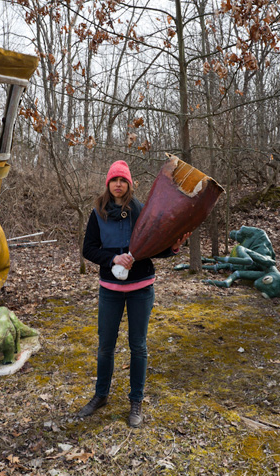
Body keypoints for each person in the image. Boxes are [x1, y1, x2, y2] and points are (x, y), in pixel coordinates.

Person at [78, 160, 189, 428]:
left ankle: (136, 401)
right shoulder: (98, 212)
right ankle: (101, 395)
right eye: (114, 180)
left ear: (129, 184)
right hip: (110, 291)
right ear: (108, 183)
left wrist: (173, 247)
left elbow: (155, 246)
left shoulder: (142, 210)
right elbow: (88, 249)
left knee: (138, 346)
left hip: (141, 289)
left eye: (123, 180)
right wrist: (112, 259)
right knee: (105, 346)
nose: (118, 184)